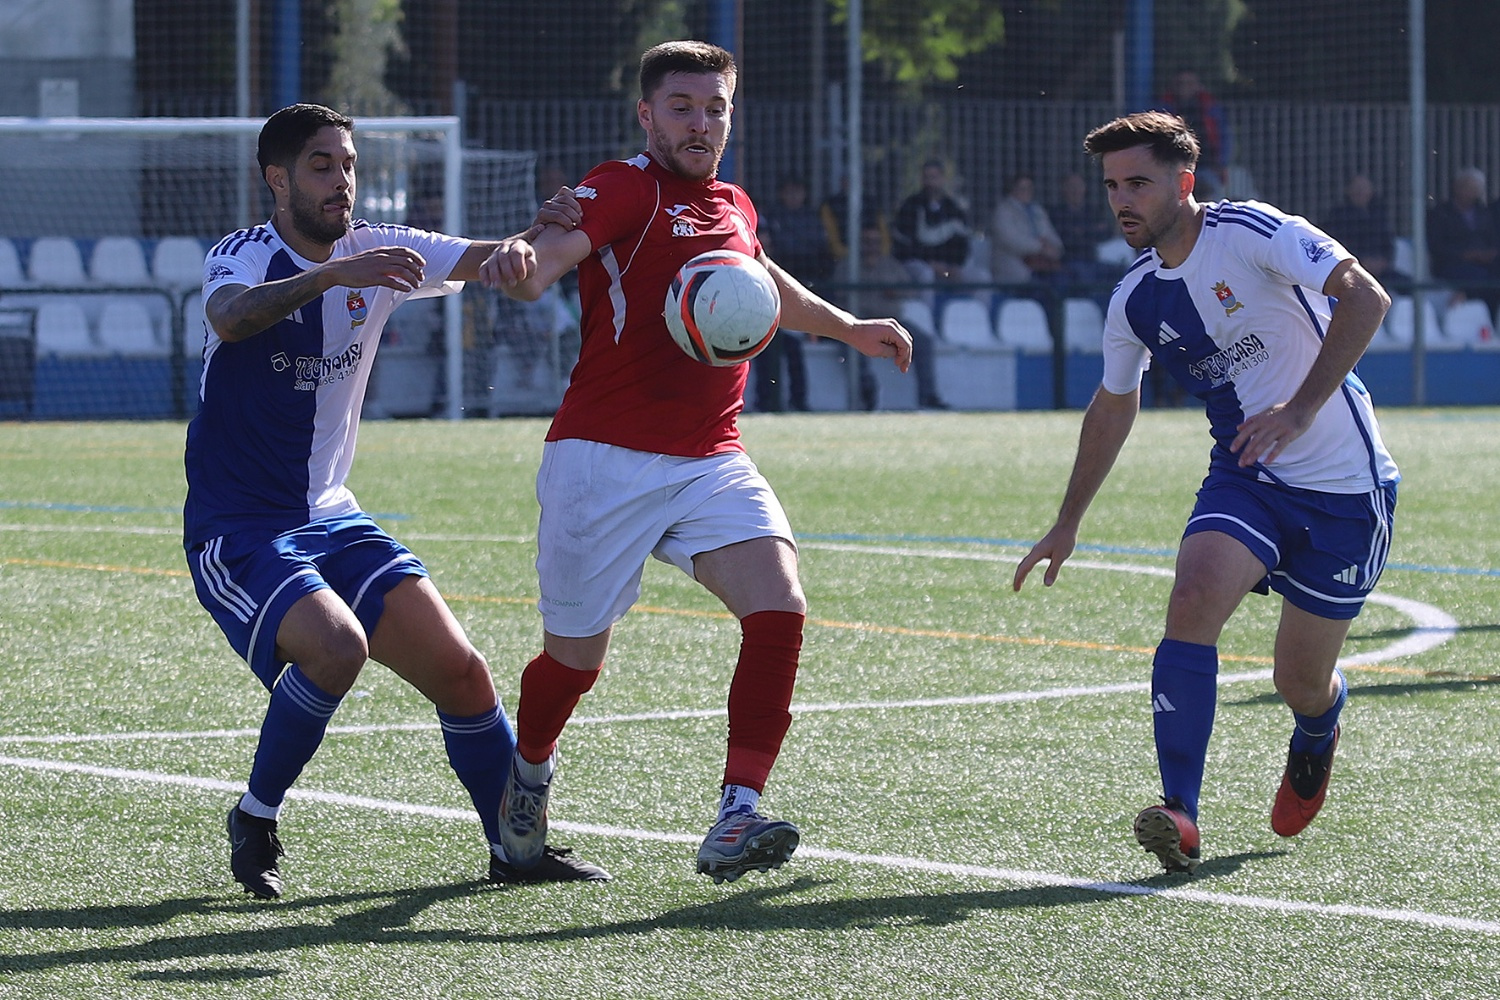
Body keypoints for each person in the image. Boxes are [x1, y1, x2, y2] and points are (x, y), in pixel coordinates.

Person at [478, 41, 912, 884]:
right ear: (647, 114)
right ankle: (528, 775)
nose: (700, 123)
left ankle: (736, 813)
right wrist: (522, 262)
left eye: (716, 108)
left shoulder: (734, 203)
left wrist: (849, 328)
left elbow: (764, 281)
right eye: (681, 107)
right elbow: (544, 266)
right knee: (574, 663)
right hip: (601, 460)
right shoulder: (622, 186)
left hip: (711, 457)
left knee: (779, 607)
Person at [184, 103, 610, 899]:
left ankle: (515, 847)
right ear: (278, 179)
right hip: (239, 527)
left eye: (348, 164)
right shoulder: (243, 255)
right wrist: (330, 276)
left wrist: (537, 233)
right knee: (336, 648)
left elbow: (490, 259)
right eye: (321, 166)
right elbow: (231, 318)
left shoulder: (381, 247)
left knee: (463, 673)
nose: (341, 181)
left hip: (332, 514)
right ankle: (256, 816)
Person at [1012, 111, 1399, 875]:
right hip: (1246, 477)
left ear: (1184, 182)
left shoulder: (1251, 231)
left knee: (1299, 681)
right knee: (1190, 600)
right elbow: (1113, 404)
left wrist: (1300, 409)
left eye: (1138, 183)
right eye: (1112, 186)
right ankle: (1179, 812)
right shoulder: (1133, 298)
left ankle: (1318, 727)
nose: (1122, 200)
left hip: (1346, 492)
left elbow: (1367, 298)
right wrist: (1067, 520)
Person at [753, 173, 828, 411]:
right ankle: (764, 402)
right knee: (763, 349)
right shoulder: (771, 218)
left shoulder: (809, 220)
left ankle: (799, 401)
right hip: (754, 318)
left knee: (792, 347)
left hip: (785, 306)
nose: (764, 239)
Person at [855, 223, 948, 409]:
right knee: (850, 342)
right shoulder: (849, 265)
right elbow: (842, 299)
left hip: (891, 323)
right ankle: (866, 392)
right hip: (861, 324)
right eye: (867, 242)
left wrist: (895, 292)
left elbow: (910, 290)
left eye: (876, 242)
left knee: (922, 341)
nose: (872, 246)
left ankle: (928, 396)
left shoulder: (890, 265)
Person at [892, 159, 979, 288]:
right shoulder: (910, 206)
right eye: (926, 177)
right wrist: (930, 262)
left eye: (934, 177)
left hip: (947, 270)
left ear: (943, 179)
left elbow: (962, 244)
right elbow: (905, 245)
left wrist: (954, 266)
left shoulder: (953, 208)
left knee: (981, 277)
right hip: (919, 264)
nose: (930, 182)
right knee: (926, 275)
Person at [1427, 166, 1500, 312]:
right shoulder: (1441, 213)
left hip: (1485, 264)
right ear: (1457, 187)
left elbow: (1493, 239)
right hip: (1452, 264)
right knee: (1480, 278)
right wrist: (1465, 255)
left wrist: (1490, 253)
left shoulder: (1484, 213)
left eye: (1476, 189)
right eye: (1469, 188)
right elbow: (1436, 246)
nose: (1472, 193)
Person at [1320, 173, 1403, 287]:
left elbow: (1388, 243)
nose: (1360, 192)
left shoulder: (1379, 214)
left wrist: (1382, 262)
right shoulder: (1338, 216)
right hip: (1349, 270)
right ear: (1348, 190)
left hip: (1382, 271)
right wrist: (1361, 261)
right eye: (1357, 188)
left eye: (1364, 188)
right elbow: (1336, 245)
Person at [1161, 70, 1230, 200]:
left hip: (1207, 165)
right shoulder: (1164, 107)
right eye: (1181, 84)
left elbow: (1223, 137)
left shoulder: (1210, 106)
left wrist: (1221, 163)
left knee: (1213, 198)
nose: (1185, 88)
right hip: (1177, 166)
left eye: (1189, 83)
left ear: (1198, 85)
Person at [1049, 171, 1121, 293]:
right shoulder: (1057, 213)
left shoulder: (1092, 211)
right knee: (1086, 277)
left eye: (1079, 186)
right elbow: (1067, 238)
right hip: (1070, 261)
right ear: (1064, 189)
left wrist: (1083, 231)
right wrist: (1091, 230)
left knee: (1120, 272)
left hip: (1093, 259)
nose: (1075, 190)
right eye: (1071, 186)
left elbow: (1106, 233)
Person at [989, 172, 1064, 287]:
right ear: (1013, 189)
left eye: (1029, 188)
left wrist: (1055, 248)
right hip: (1014, 263)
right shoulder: (1003, 211)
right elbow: (1011, 240)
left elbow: (1051, 235)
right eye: (1022, 188)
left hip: (1043, 262)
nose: (1026, 192)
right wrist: (1040, 247)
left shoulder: (1038, 211)